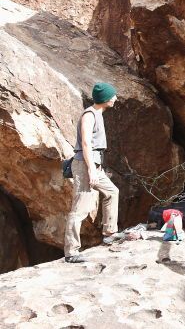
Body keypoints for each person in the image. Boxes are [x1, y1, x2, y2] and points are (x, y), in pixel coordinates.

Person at [64, 82, 121, 263]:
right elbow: (87, 144)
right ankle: (71, 252)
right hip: (84, 166)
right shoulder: (89, 115)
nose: (115, 98)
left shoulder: (98, 114)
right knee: (80, 207)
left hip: (94, 165)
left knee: (112, 192)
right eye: (113, 96)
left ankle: (109, 233)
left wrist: (96, 169)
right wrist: (90, 170)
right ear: (105, 98)